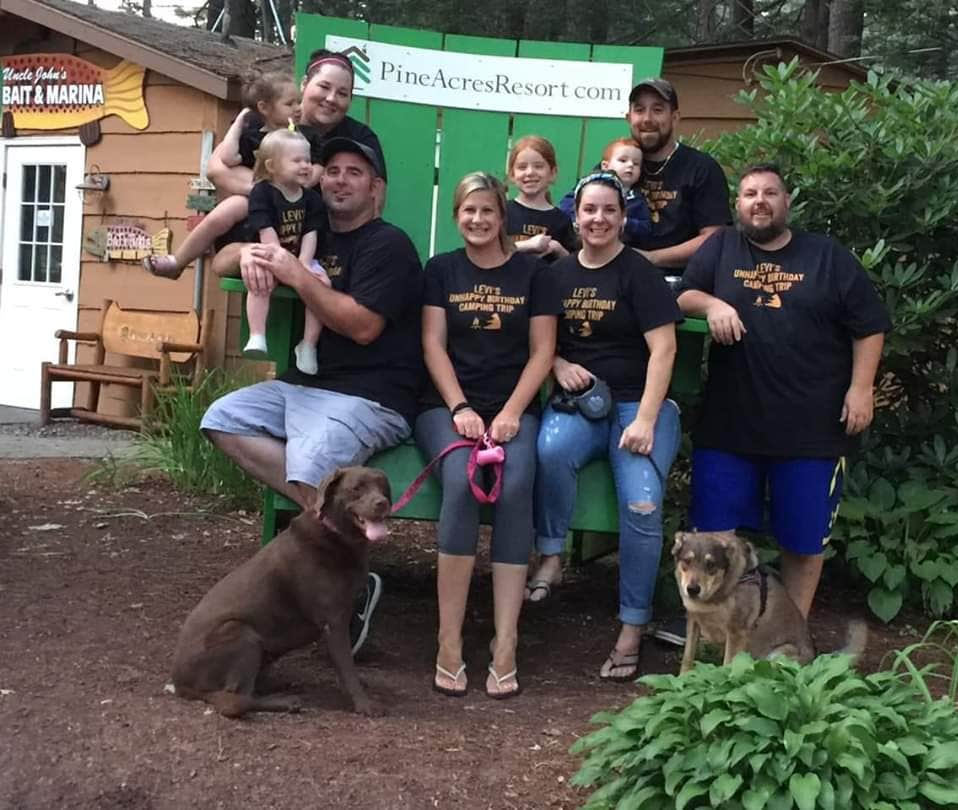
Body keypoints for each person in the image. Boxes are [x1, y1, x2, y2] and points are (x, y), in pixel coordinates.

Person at [201, 137, 422, 655]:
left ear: (377, 189)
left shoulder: (388, 245)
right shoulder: (308, 232)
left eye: (355, 173)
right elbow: (218, 260)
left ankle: (344, 574)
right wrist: (249, 254)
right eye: (334, 171)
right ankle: (349, 562)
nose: (340, 180)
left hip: (372, 396)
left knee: (310, 462)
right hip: (307, 388)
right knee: (221, 416)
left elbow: (363, 326)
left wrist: (296, 274)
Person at [671, 162, 891, 643]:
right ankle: (719, 643)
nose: (759, 201)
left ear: (786, 202)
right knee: (714, 536)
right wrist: (713, 304)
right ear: (738, 204)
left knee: (803, 543)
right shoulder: (721, 247)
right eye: (749, 193)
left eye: (770, 192)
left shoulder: (826, 256)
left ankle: (789, 641)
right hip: (730, 425)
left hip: (812, 427)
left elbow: (870, 325)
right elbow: (683, 294)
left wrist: (862, 387)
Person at [530, 172, 682, 682]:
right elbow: (540, 344)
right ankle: (550, 554)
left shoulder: (637, 273)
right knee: (549, 449)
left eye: (609, 211)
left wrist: (644, 418)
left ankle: (631, 627)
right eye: (589, 210)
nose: (598, 219)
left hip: (638, 406)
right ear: (575, 217)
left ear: (622, 218)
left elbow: (665, 348)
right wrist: (557, 366)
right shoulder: (556, 276)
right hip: (580, 403)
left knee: (642, 502)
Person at [417, 172, 561, 699]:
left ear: (504, 217)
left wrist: (510, 413)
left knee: (517, 478)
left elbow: (543, 352)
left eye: (487, 211)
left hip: (513, 410)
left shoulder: (533, 275)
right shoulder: (441, 270)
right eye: (467, 211)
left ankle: (506, 641)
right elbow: (433, 345)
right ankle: (449, 641)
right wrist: (459, 407)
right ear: (456, 216)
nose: (477, 220)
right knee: (461, 479)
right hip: (445, 406)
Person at [145, 50, 386, 280]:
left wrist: (271, 187)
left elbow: (373, 202)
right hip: (254, 229)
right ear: (305, 85)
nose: (331, 98)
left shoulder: (357, 138)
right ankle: (178, 261)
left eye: (343, 93)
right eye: (324, 87)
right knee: (229, 219)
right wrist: (271, 192)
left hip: (313, 237)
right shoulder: (262, 120)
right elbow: (217, 169)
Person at [143, 69, 303, 279]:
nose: (298, 109)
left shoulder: (298, 136)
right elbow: (228, 159)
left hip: (287, 200)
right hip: (254, 198)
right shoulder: (253, 133)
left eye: (298, 102)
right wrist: (238, 124)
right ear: (264, 107)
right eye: (290, 104)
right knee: (225, 211)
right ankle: (178, 261)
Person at [625, 77, 732, 276]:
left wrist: (652, 258)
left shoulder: (701, 168)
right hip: (621, 277)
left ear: (675, 118)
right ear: (629, 118)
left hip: (682, 282)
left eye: (657, 110)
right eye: (639, 110)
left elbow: (715, 237)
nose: (647, 119)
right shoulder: (615, 165)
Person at [242, 129, 328, 374]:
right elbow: (265, 229)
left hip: (301, 258)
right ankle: (257, 333)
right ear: (272, 165)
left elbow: (311, 233)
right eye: (297, 160)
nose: (306, 166)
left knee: (322, 283)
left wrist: (302, 265)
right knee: (259, 279)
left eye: (308, 160)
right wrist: (278, 261)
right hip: (270, 252)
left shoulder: (312, 199)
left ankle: (308, 344)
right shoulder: (262, 193)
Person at [558, 137, 652, 247]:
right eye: (623, 160)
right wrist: (578, 219)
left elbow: (646, 229)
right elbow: (565, 205)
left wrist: (625, 222)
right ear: (605, 166)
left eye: (636, 164)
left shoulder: (638, 199)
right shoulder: (590, 186)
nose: (630, 165)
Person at [504, 136, 575, 261]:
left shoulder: (561, 220)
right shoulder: (502, 211)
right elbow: (489, 250)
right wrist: (527, 245)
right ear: (512, 175)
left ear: (553, 173)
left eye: (538, 166)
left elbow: (574, 266)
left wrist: (557, 248)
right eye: (522, 167)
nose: (530, 172)